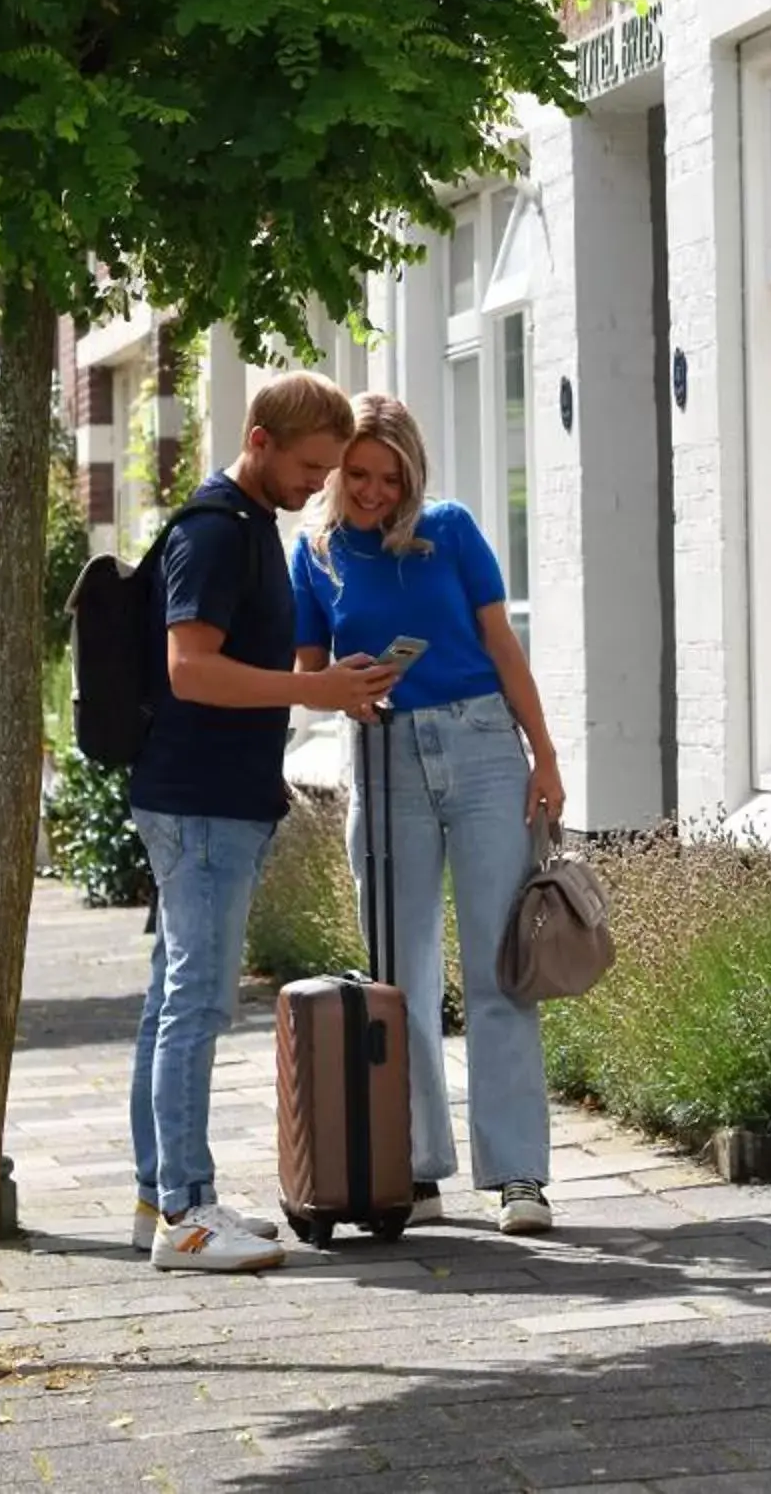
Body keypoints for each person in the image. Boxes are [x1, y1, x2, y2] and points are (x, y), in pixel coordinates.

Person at [130, 373, 396, 1274]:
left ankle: (161, 1197)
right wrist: (308, 689)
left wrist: (329, 683)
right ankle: (186, 1214)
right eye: (310, 465)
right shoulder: (215, 532)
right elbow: (190, 669)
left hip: (211, 798)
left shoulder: (244, 529)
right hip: (200, 802)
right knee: (197, 1003)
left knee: (174, 998)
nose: (318, 484)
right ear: (259, 439)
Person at [293, 393, 564, 1235]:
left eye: (388, 475)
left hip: (484, 747)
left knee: (497, 970)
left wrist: (545, 754)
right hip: (383, 756)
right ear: (335, 473)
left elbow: (501, 645)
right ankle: (412, 1168)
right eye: (357, 475)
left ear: (412, 473)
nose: (372, 491)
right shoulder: (317, 555)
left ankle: (518, 1177)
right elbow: (308, 667)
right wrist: (347, 693)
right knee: (398, 977)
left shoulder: (450, 529)